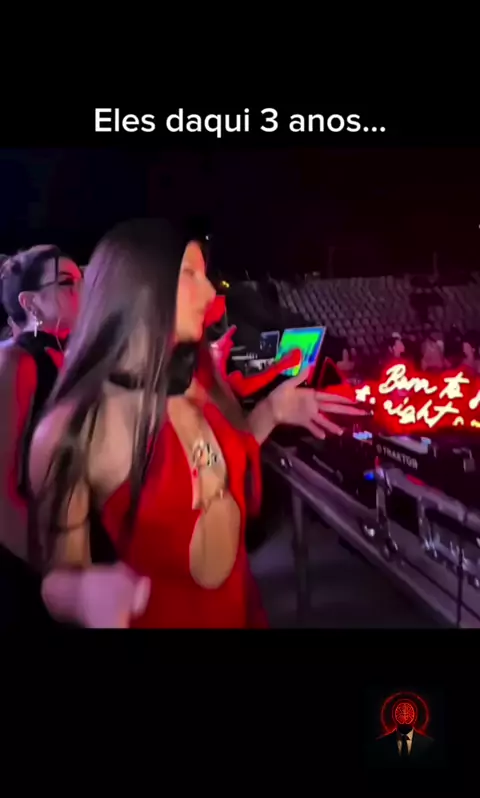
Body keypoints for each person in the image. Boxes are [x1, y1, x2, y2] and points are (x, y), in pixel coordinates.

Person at [29, 219, 364, 629]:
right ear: (138, 287)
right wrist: (83, 593)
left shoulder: (203, 375)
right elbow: (57, 578)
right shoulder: (74, 427)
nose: (209, 293)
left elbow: (226, 463)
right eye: (190, 274)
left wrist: (272, 411)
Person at [0, 245, 82, 626]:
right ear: (30, 303)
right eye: (67, 283)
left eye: (82, 281)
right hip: (34, 569)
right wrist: (55, 571)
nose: (81, 292)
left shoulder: (77, 361)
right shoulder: (16, 362)